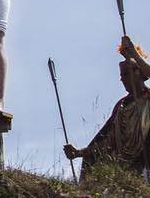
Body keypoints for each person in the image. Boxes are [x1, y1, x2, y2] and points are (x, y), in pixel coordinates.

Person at [64, 37, 150, 182]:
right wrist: (79, 152)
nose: (122, 79)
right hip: (124, 172)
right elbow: (108, 141)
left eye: (127, 73)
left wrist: (134, 54)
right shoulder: (121, 107)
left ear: (141, 73)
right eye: (121, 75)